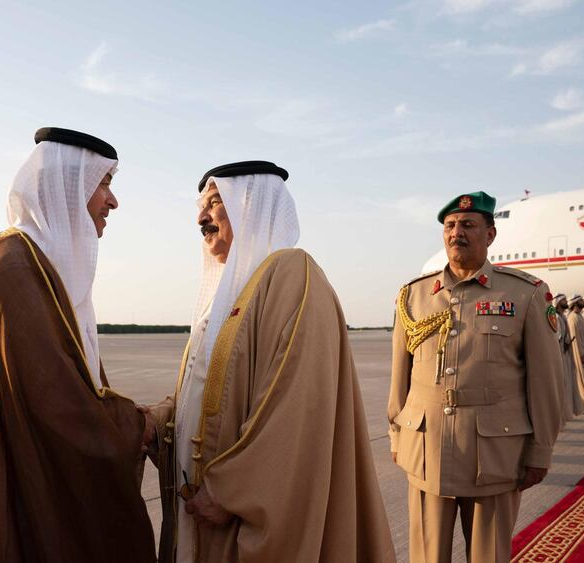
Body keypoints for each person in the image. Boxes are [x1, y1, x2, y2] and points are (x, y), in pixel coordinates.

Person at [143, 161, 395, 562]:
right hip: (199, 513)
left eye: (214, 202)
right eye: (200, 206)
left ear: (249, 205)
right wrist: (155, 421)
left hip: (237, 519)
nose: (201, 218)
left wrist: (230, 492)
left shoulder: (292, 275)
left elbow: (295, 411)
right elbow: (203, 393)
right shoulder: (222, 300)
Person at [0, 128, 156, 562]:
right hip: (19, 503)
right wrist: (139, 426)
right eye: (103, 183)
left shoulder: (46, 268)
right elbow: (58, 403)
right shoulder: (10, 264)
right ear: (68, 188)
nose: (113, 201)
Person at [388, 191, 562, 563]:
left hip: (494, 454)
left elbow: (545, 383)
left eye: (468, 225)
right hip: (427, 448)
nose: (456, 233)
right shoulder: (414, 296)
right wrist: (396, 433)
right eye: (449, 226)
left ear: (490, 235)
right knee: (427, 556)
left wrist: (540, 449)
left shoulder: (525, 294)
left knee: (489, 556)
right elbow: (399, 377)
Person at [554, 294, 584, 422]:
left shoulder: (563, 317)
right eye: (563, 300)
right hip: (561, 355)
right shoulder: (556, 317)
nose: (566, 302)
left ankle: (566, 413)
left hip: (566, 355)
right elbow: (557, 338)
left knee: (567, 385)